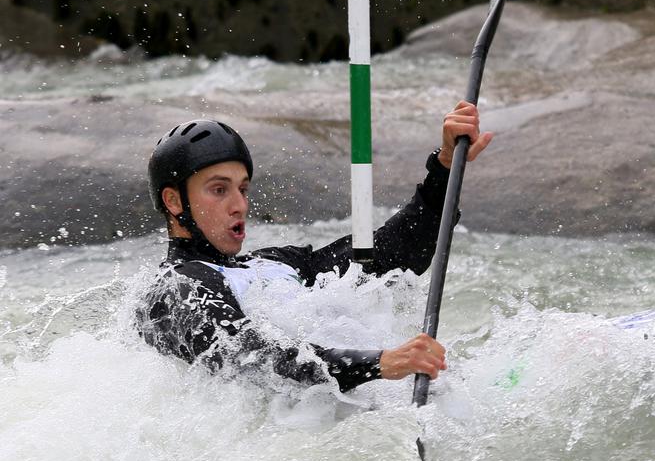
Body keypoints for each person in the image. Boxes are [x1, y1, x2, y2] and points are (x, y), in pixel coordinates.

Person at [135, 103, 492, 392]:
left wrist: (444, 165)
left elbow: (391, 253)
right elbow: (250, 358)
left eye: (243, 189)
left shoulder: (277, 264)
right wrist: (381, 363)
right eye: (219, 189)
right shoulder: (175, 289)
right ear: (174, 201)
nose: (239, 205)